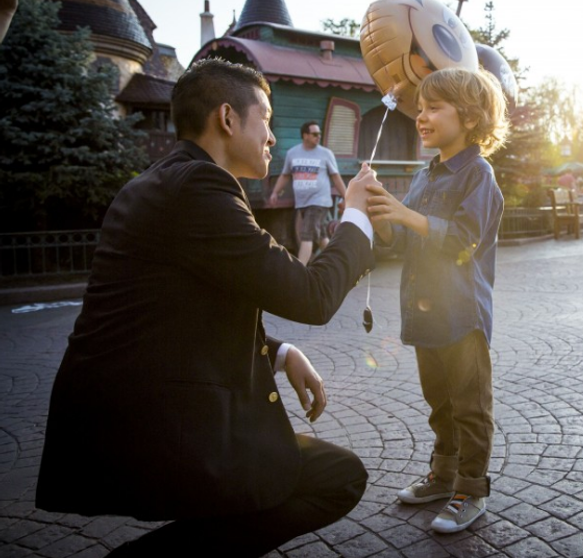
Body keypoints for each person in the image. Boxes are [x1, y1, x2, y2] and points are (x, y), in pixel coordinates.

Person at [36, 59, 381, 557]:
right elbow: (312, 295)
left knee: (276, 484)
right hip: (157, 423)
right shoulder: (199, 188)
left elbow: (180, 311)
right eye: (266, 118)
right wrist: (356, 215)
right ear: (227, 117)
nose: (272, 136)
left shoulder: (166, 181)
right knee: (338, 478)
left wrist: (280, 353)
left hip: (133, 408)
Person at [366, 67, 509, 534]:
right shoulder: (424, 175)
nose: (421, 117)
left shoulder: (478, 175)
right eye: (420, 109)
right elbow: (403, 240)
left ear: (468, 117)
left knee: (470, 407)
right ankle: (443, 476)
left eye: (434, 108)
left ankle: (471, 489)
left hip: (462, 314)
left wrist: (406, 215)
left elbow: (464, 241)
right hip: (423, 310)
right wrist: (380, 210)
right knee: (439, 403)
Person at [269, 121, 347, 264]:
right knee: (321, 236)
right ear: (305, 135)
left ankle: (300, 269)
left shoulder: (325, 153)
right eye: (315, 134)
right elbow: (285, 175)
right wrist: (275, 192)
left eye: (319, 134)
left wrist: (346, 196)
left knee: (307, 236)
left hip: (318, 201)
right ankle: (338, 262)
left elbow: (335, 177)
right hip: (302, 202)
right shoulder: (292, 153)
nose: (319, 137)